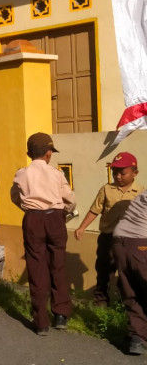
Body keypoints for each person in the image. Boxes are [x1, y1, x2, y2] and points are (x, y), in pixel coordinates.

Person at [11, 132, 76, 336]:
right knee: (58, 264)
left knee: (36, 266)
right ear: (49, 153)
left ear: (29, 153)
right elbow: (70, 200)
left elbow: (15, 197)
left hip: (33, 219)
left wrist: (30, 209)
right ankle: (61, 315)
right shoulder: (57, 174)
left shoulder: (21, 173)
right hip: (55, 218)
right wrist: (63, 212)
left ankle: (41, 322)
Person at [75, 152, 143, 307]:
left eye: (122, 173)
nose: (118, 176)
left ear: (135, 173)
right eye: (114, 172)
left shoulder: (141, 192)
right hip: (108, 238)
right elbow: (95, 210)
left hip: (130, 241)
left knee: (127, 273)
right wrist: (82, 227)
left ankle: (124, 303)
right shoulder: (106, 189)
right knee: (104, 271)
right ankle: (101, 302)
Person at [112, 189, 147, 355]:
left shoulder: (143, 193)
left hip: (119, 241)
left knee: (131, 290)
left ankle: (136, 337)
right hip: (140, 243)